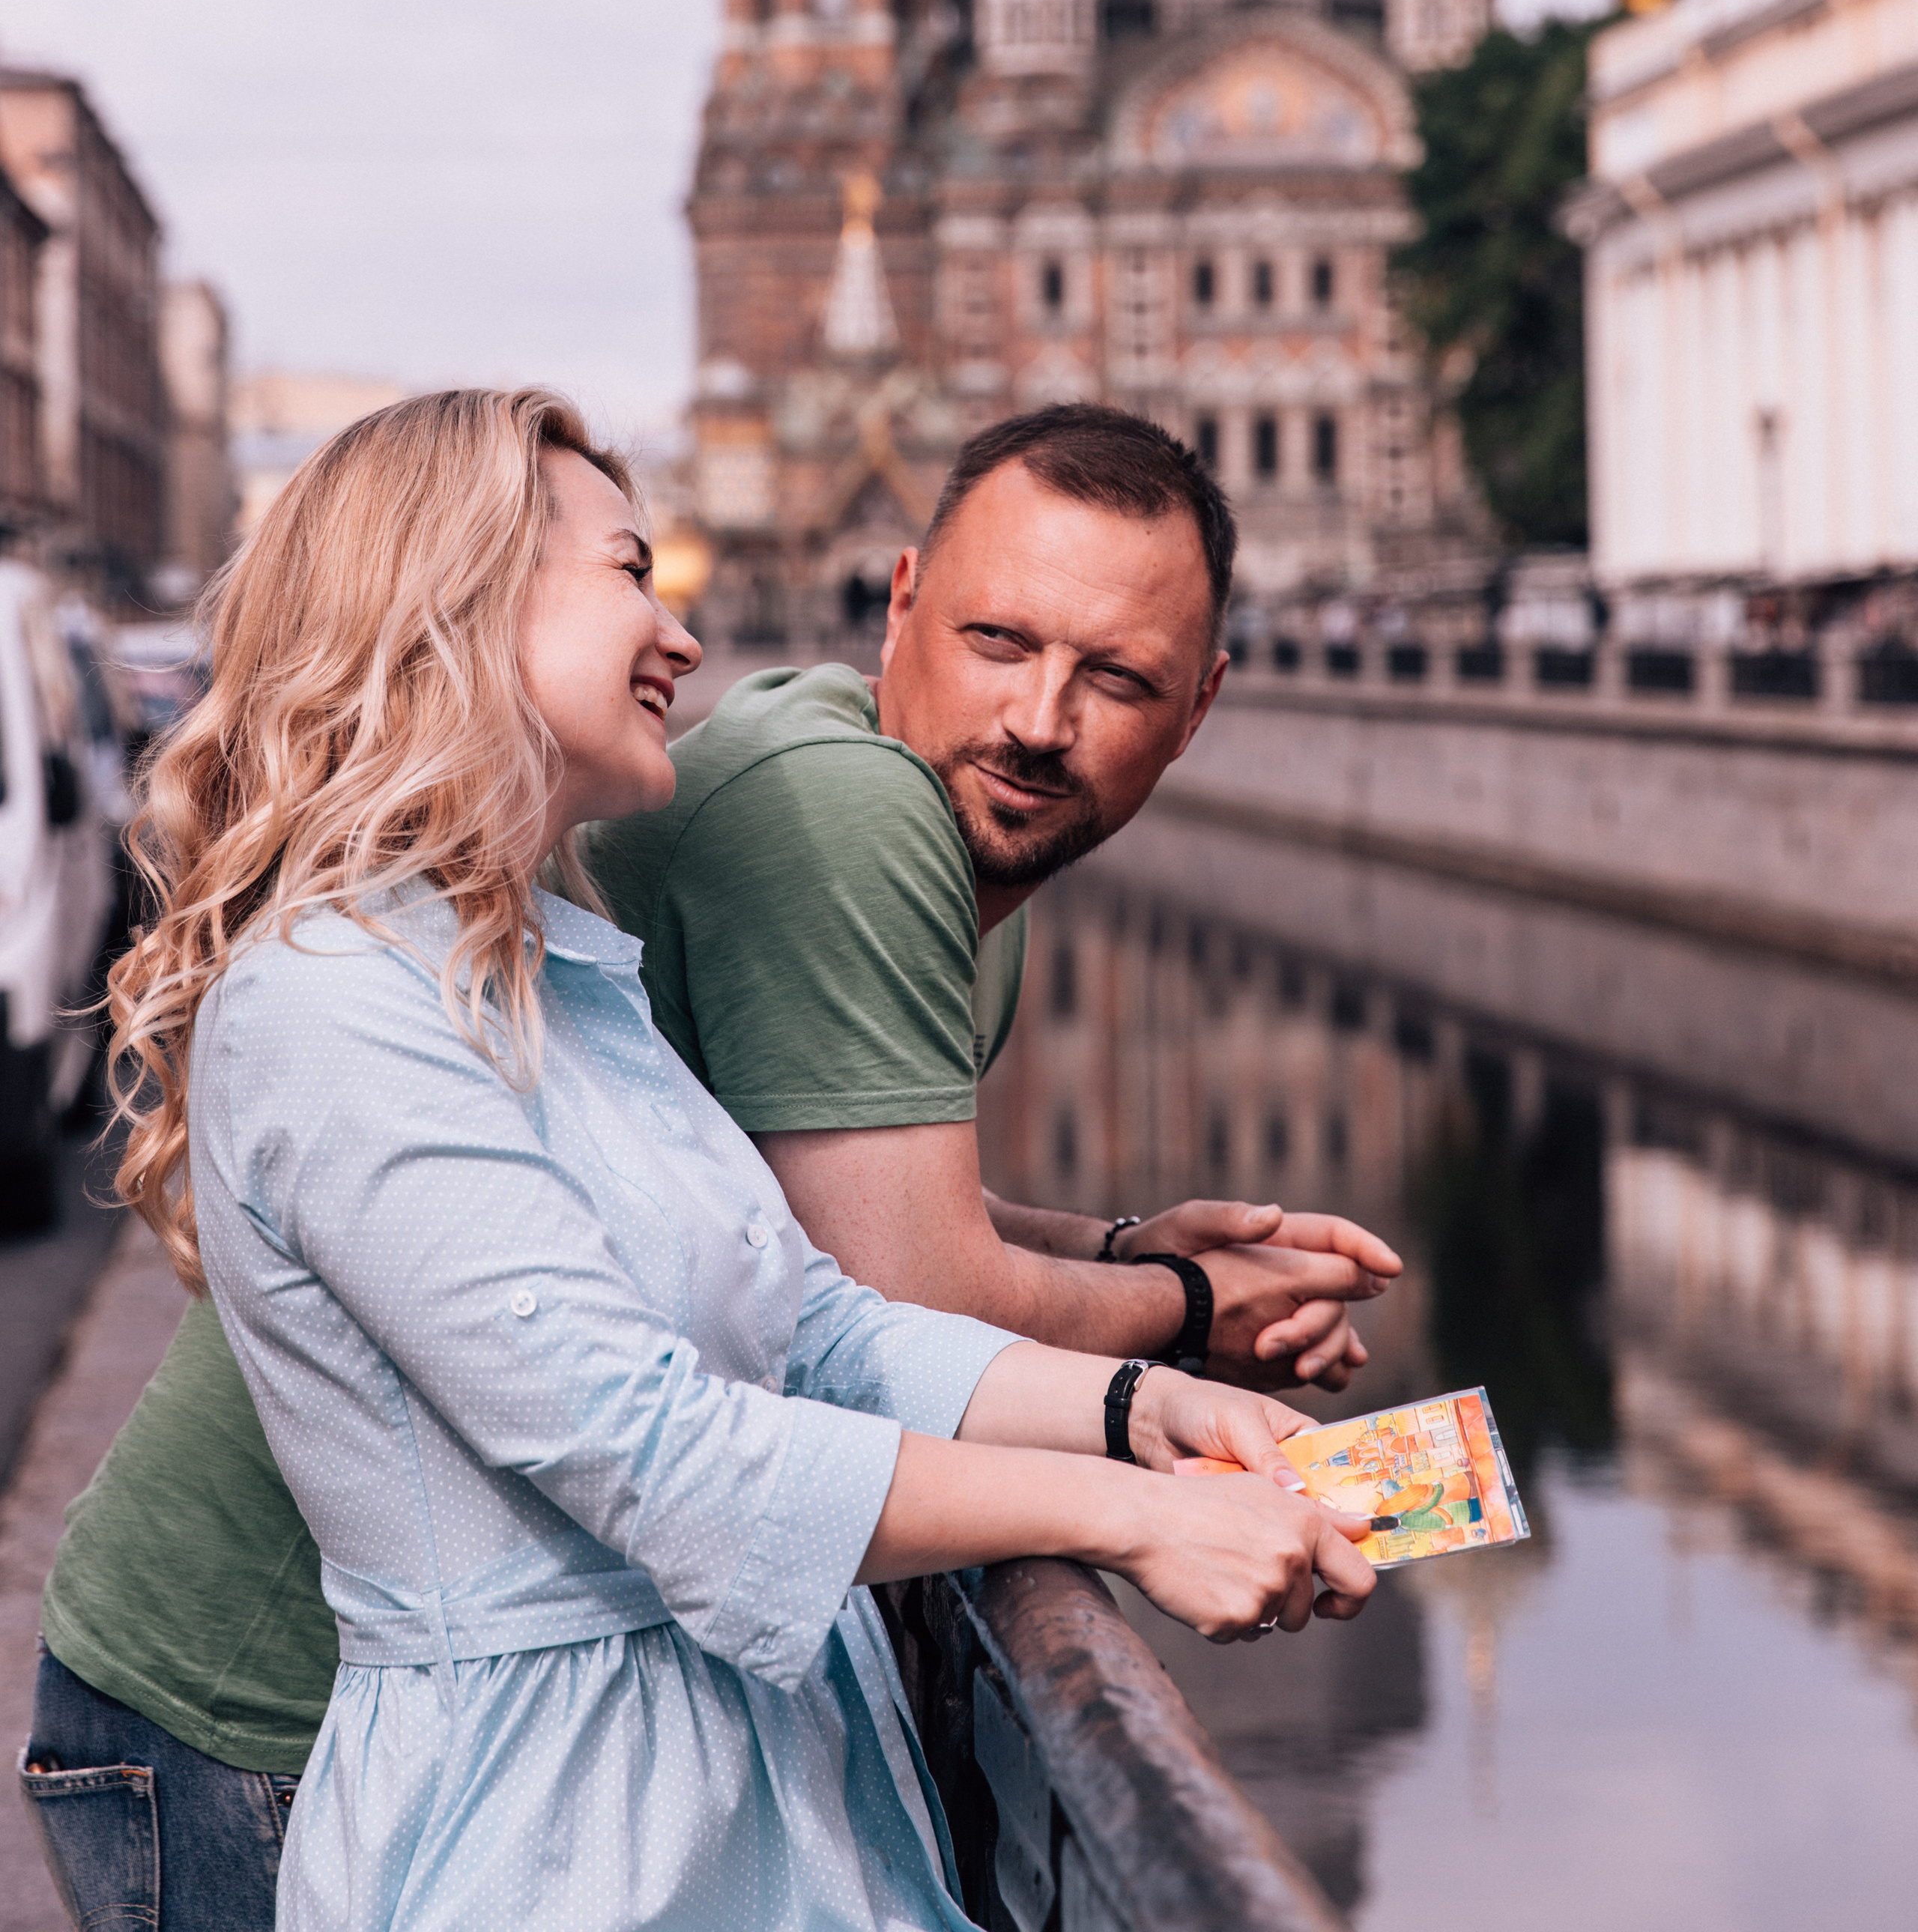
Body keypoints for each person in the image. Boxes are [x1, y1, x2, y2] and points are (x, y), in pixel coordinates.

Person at [21, 390, 1373, 1932]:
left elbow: (813, 1318)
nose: (677, 637)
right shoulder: (331, 1005)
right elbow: (655, 1453)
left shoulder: (555, 973)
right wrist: (1128, 1509)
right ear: (457, 602)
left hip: (716, 1799)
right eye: (625, 573)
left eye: (1114, 676)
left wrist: (1143, 1407)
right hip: (526, 1835)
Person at [591, 404, 1400, 1380]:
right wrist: (1193, 1304)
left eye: (1118, 677)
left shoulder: (940, 812)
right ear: (900, 609)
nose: (1040, 721)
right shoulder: (848, 801)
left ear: (1198, 709)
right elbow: (913, 1306)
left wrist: (1120, 1251)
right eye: (1000, 642)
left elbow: (841, 1197)